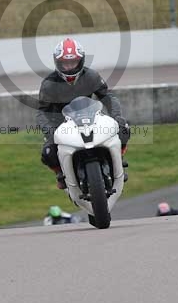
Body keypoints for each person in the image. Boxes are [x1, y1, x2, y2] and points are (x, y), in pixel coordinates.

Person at [37, 37, 130, 189]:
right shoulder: (48, 84)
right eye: (65, 63)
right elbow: (42, 112)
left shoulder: (91, 76)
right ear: (57, 62)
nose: (68, 67)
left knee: (123, 128)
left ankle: (118, 158)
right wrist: (50, 131)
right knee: (48, 152)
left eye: (72, 62)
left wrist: (116, 116)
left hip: (91, 118)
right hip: (62, 125)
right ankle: (60, 173)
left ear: (80, 61)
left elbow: (107, 96)